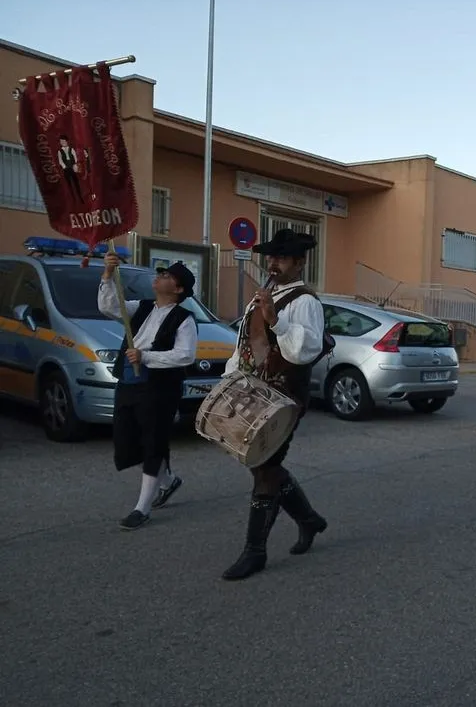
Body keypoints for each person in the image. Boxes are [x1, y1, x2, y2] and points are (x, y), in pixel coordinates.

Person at [221, 228, 328, 581]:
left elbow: (304, 351)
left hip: (285, 397)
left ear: (299, 262)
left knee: (266, 469)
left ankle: (255, 551)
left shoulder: (305, 301)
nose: (273, 263)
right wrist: (231, 379)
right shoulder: (264, 295)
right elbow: (246, 345)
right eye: (271, 257)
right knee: (262, 465)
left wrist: (276, 321)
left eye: (281, 257)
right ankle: (309, 520)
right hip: (256, 392)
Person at [98, 253, 198, 530]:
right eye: (161, 274)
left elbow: (185, 355)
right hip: (129, 382)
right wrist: (107, 275)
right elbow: (109, 307)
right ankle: (168, 481)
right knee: (127, 439)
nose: (160, 277)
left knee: (154, 441)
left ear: (178, 289)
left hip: (159, 387)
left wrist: (147, 357)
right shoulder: (141, 307)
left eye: (167, 276)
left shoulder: (184, 319)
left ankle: (142, 508)